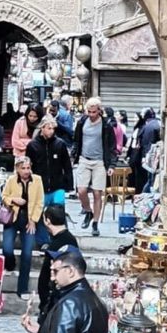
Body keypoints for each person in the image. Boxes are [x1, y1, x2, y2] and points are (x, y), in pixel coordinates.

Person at [26, 116, 73, 247]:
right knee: (41, 214)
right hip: (40, 186)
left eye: (53, 128)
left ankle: (61, 239)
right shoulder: (33, 145)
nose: (51, 131)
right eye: (49, 128)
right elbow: (29, 166)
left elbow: (67, 165)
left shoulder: (60, 144)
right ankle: (43, 241)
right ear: (42, 128)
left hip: (57, 185)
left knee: (59, 212)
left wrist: (69, 184)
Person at [1, 156, 44, 299]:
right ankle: (10, 263)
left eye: (28, 168)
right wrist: (13, 200)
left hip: (29, 219)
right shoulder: (11, 180)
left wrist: (33, 220)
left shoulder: (37, 180)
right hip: (13, 218)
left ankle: (23, 288)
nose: (26, 171)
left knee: (27, 254)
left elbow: (39, 202)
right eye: (23, 168)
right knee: (6, 248)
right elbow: (4, 196)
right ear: (17, 169)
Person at [73, 97, 116, 237]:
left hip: (99, 161)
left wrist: (111, 164)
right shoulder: (82, 122)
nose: (91, 114)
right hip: (84, 159)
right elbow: (77, 139)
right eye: (89, 111)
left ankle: (95, 223)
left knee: (98, 193)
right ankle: (87, 211)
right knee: (81, 190)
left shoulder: (106, 125)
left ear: (99, 111)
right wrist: (74, 154)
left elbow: (111, 146)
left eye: (94, 112)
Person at [127, 111, 148, 193]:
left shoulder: (143, 128)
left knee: (137, 173)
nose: (134, 119)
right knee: (131, 173)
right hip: (133, 152)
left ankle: (138, 191)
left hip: (137, 153)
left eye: (136, 118)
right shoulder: (135, 128)